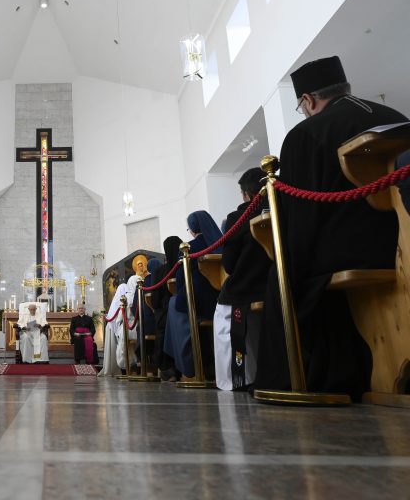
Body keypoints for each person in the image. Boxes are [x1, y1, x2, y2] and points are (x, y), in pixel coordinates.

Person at [255, 56, 408, 401]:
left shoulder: (306, 133)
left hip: (352, 249)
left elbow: (302, 217)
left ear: (308, 101)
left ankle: (301, 379)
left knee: (281, 274)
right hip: (404, 237)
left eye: (302, 106)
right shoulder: (396, 117)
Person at [213, 168, 270, 391]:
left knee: (223, 315)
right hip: (276, 282)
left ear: (246, 194)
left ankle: (236, 378)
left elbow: (229, 264)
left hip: (249, 286)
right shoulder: (281, 207)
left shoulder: (238, 218)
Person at [164, 210, 222, 378]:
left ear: (192, 229)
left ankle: (186, 367)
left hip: (198, 301)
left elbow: (181, 281)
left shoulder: (189, 248)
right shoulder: (220, 241)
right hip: (220, 300)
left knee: (174, 304)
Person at [149, 237, 182, 381]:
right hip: (183, 311)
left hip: (163, 314)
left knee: (162, 330)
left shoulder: (159, 271)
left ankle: (167, 369)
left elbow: (155, 300)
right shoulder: (183, 266)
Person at [98, 284, 127, 377]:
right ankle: (122, 368)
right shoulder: (120, 301)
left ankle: (124, 368)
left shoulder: (117, 301)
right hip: (117, 329)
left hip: (118, 328)